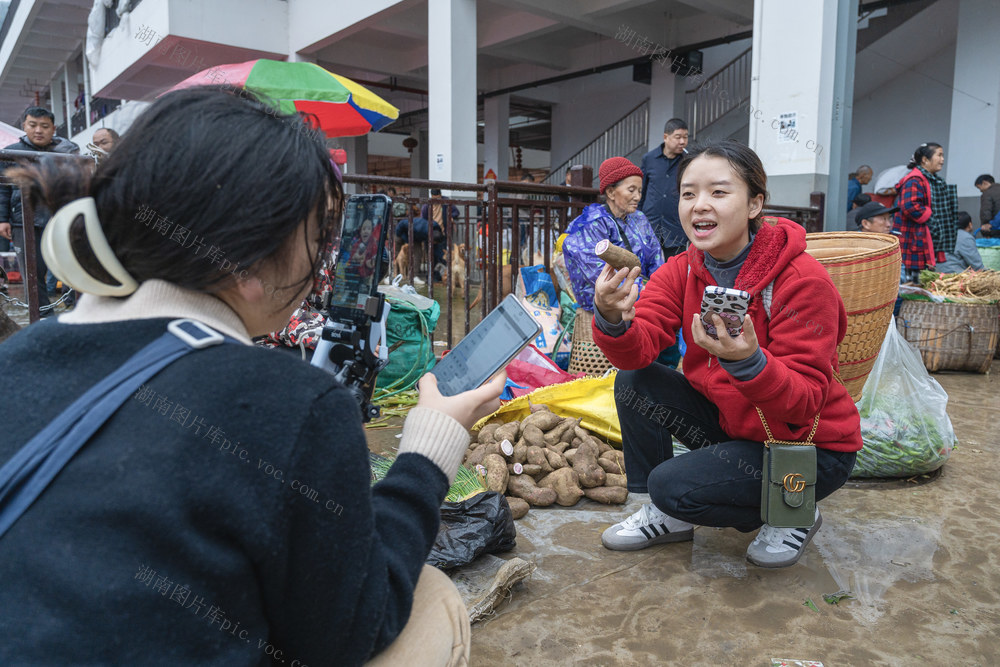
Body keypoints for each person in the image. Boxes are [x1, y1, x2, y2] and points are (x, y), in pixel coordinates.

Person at [0, 87, 503, 666]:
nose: (321, 265)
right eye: (317, 237)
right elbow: (351, 630)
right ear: (248, 259)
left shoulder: (23, 352)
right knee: (431, 598)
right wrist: (426, 452)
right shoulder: (292, 400)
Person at [592, 140, 860, 568]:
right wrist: (611, 317)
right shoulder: (682, 268)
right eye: (688, 193)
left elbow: (806, 399)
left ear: (755, 204)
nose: (699, 206)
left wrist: (749, 362)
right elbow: (637, 350)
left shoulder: (802, 280)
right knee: (635, 382)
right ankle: (668, 517)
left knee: (673, 485)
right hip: (735, 425)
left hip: (806, 446)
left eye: (718, 192)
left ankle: (794, 507)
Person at [0, 106, 81, 314]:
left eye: (44, 126)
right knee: (32, 273)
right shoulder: (10, 154)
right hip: (23, 221)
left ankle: (78, 310)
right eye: (33, 125)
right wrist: (3, 219)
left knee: (74, 265)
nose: (38, 130)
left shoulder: (66, 151)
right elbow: (3, 190)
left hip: (61, 218)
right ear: (24, 126)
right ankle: (43, 316)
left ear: (53, 128)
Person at [562, 156, 664, 314]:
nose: (637, 197)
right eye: (631, 190)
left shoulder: (639, 218)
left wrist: (658, 287)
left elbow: (655, 256)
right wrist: (643, 290)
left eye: (639, 191)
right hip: (608, 307)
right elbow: (601, 276)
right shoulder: (591, 223)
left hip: (645, 295)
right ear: (610, 192)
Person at [893, 143, 944, 284]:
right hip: (912, 239)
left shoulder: (927, 179)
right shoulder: (915, 179)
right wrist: (930, 215)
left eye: (942, 155)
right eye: (939, 155)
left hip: (918, 238)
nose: (942, 159)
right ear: (925, 160)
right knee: (912, 283)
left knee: (919, 281)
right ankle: (907, 305)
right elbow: (910, 206)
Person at [639, 118, 689, 258]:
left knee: (675, 267)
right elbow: (641, 191)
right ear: (666, 137)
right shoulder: (649, 159)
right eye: (678, 137)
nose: (682, 142)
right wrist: (637, 217)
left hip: (676, 225)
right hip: (650, 222)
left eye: (685, 137)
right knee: (645, 264)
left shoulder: (688, 161)